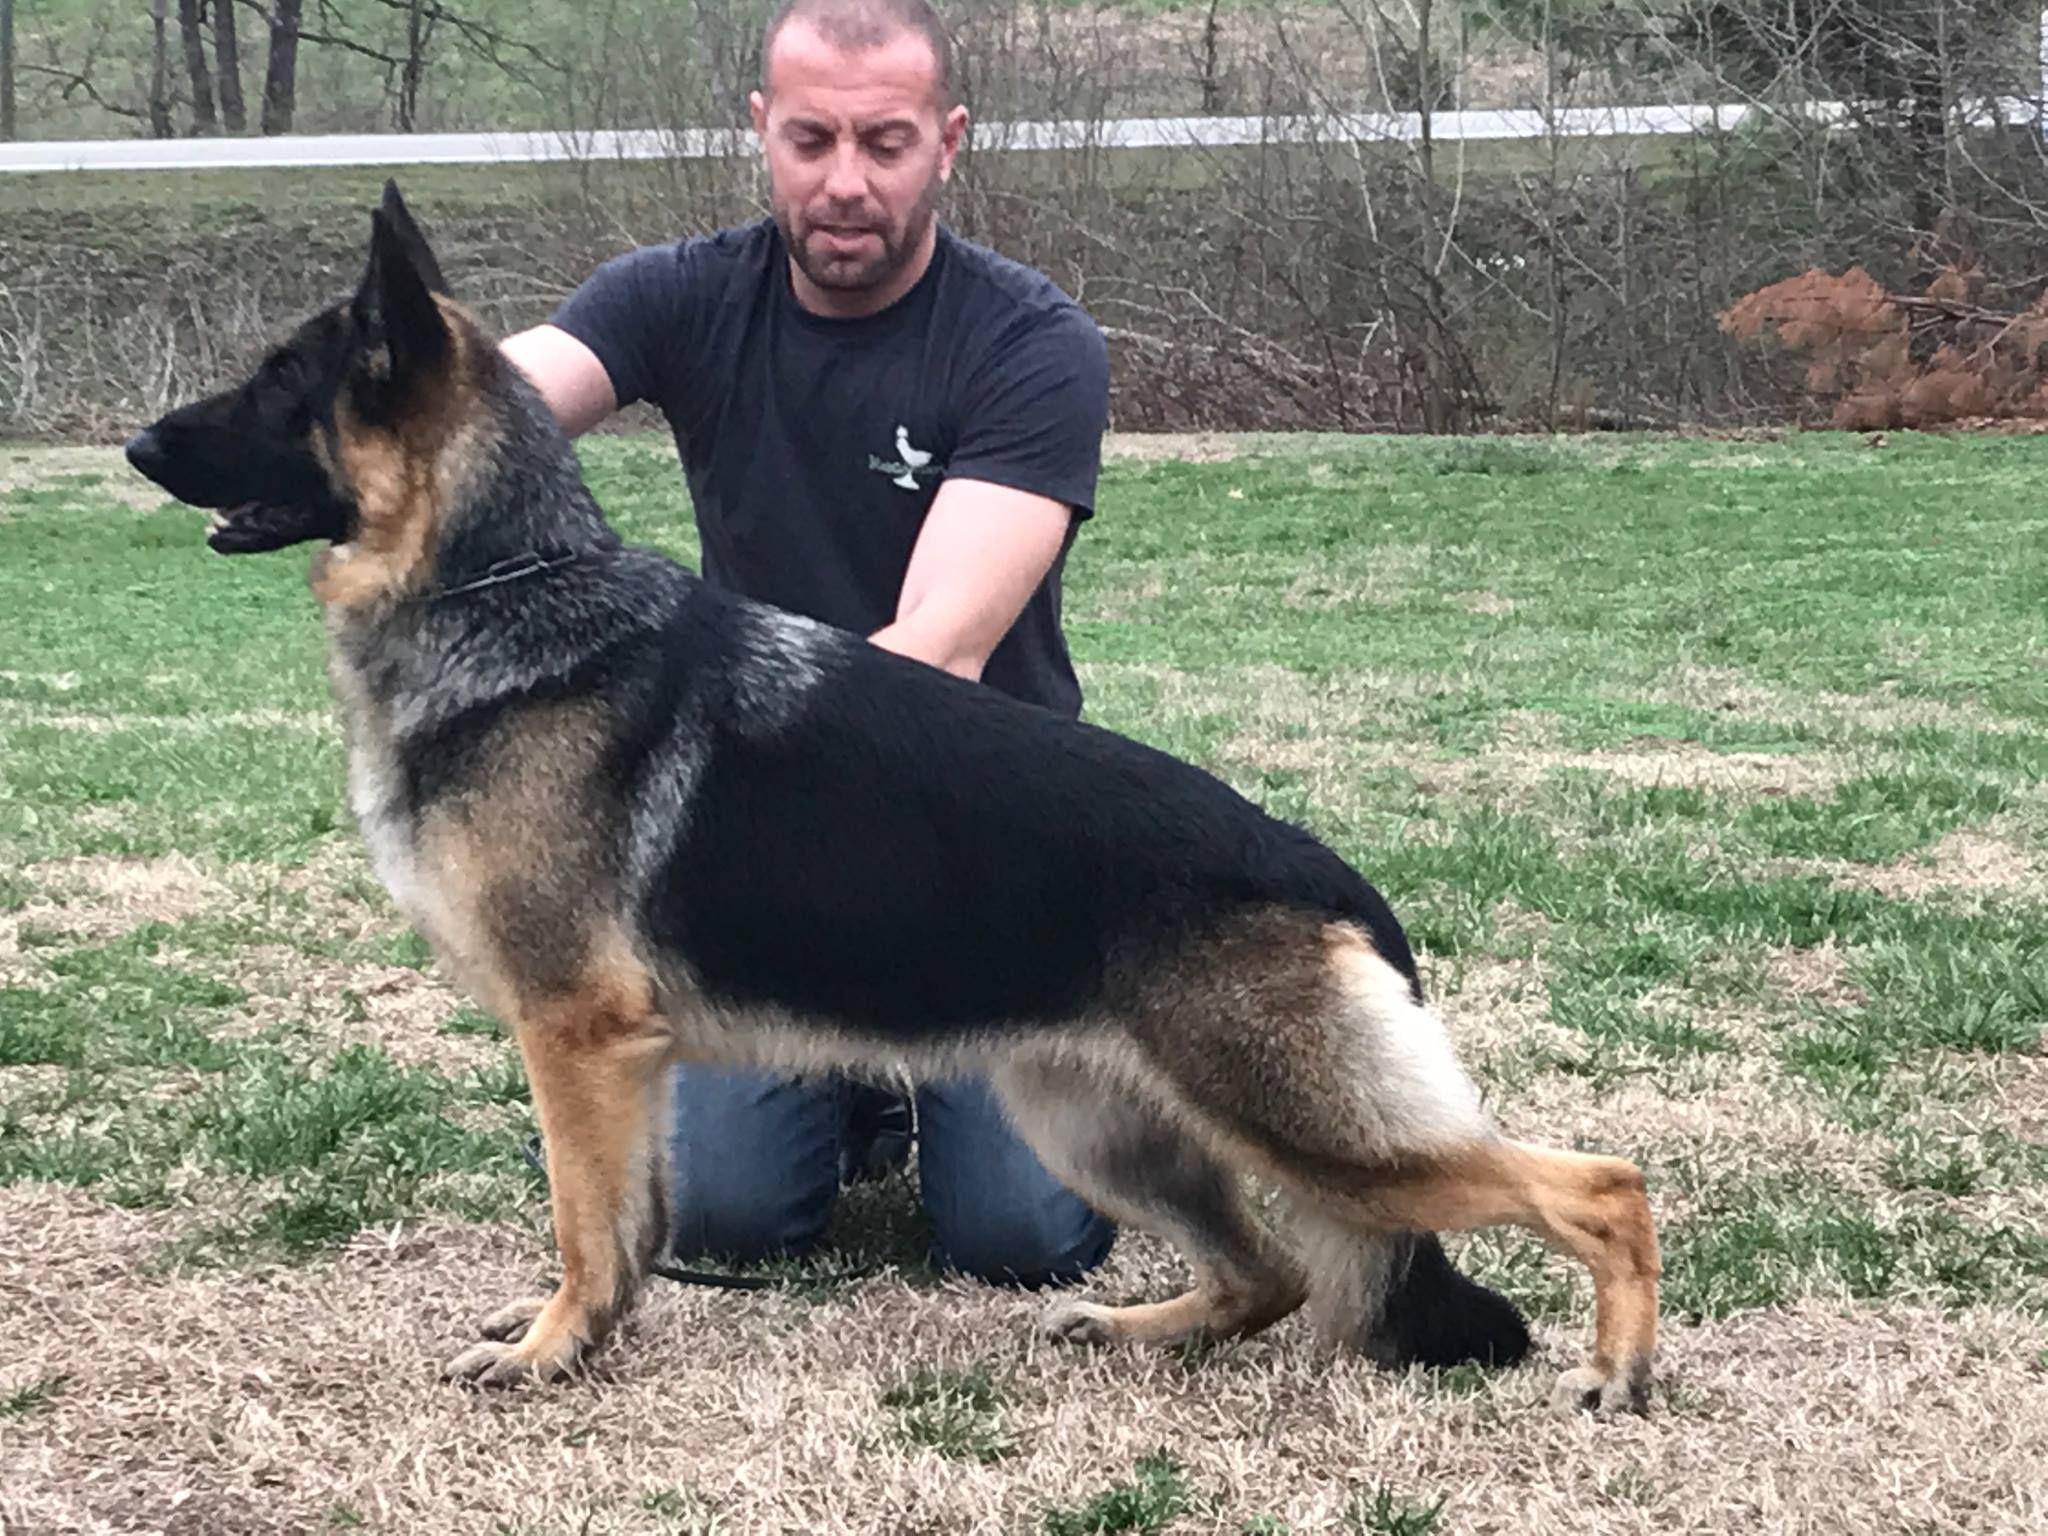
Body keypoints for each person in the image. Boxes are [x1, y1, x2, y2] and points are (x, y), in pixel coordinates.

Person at [499, 0, 1117, 1287]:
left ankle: (955, 1068)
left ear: (948, 141)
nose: (845, 182)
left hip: (973, 825)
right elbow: (485, 416)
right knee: (723, 1217)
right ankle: (848, 1092)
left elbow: (930, 657)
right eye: (811, 139)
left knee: (1020, 1237)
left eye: (885, 144)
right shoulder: (677, 294)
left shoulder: (1027, 341)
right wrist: (347, 441)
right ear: (760, 134)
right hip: (764, 828)